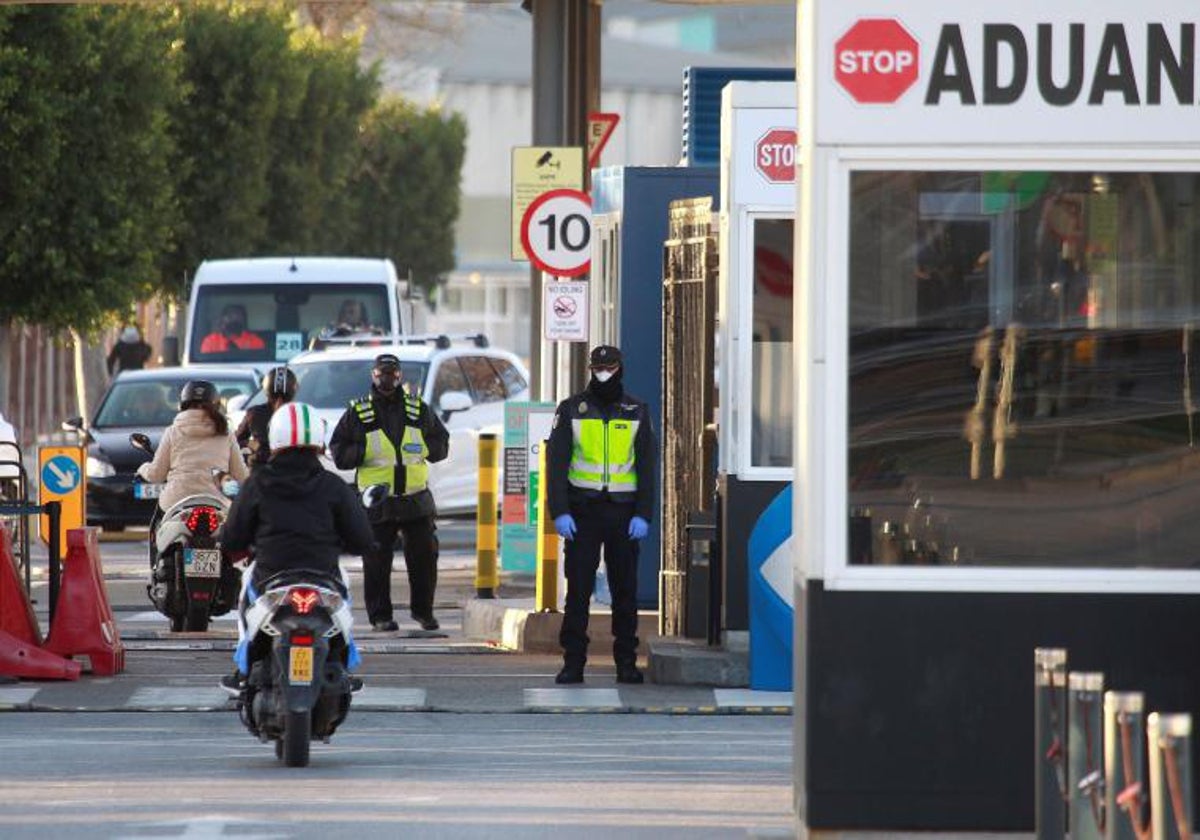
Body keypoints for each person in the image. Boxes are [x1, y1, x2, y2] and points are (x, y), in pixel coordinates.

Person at [220, 401, 374, 689]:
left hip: (269, 577)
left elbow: (232, 539)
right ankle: (343, 663)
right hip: (324, 577)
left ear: (275, 437)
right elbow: (362, 539)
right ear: (318, 439)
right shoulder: (334, 486)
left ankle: (243, 670)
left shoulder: (258, 482)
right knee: (345, 608)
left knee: (244, 603)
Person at [546, 345, 658, 685]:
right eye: (598, 367)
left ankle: (626, 662)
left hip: (624, 515)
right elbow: (556, 465)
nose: (603, 372)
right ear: (590, 370)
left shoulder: (637, 410)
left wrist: (644, 514)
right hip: (583, 514)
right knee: (578, 592)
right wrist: (560, 512)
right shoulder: (572, 410)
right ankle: (573, 662)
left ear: (620, 369)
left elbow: (646, 467)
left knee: (625, 593)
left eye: (608, 367)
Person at [329, 353, 449, 632]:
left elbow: (441, 443)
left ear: (399, 377)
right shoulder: (359, 412)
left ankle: (423, 613)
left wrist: (425, 449)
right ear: (373, 376)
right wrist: (362, 452)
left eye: (392, 373)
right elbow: (339, 453)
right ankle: (381, 616)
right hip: (377, 500)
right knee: (376, 562)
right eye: (382, 373)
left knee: (424, 557)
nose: (387, 378)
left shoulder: (417, 409)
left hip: (415, 498)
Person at [136, 380, 248, 563]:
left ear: (182, 405)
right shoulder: (226, 432)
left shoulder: (173, 432)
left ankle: (156, 567)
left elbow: (156, 474)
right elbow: (241, 475)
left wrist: (142, 468)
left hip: (175, 502)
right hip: (218, 504)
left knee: (158, 528)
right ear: (216, 404)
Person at [235, 366, 298, 469]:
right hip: (294, 472)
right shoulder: (300, 413)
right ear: (293, 390)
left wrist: (250, 444)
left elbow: (235, 442)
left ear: (266, 389)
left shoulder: (254, 413)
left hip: (261, 473)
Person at [200, 304, 264, 353]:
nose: (234, 319)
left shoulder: (255, 341)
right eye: (230, 316)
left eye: (238, 316)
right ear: (222, 320)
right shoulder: (210, 341)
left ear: (244, 320)